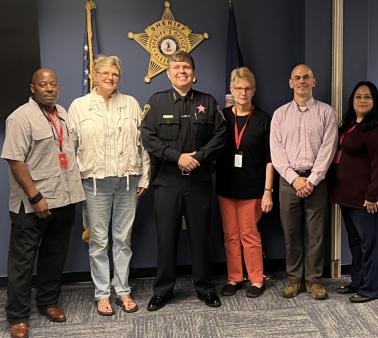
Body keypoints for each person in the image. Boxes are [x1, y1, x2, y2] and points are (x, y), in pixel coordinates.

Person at [1, 68, 85, 338]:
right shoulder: (20, 118)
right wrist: (35, 197)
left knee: (54, 256)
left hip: (64, 199)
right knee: (22, 263)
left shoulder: (63, 113)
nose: (49, 88)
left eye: (53, 84)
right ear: (32, 88)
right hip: (33, 204)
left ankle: (48, 302)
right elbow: (15, 160)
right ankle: (17, 316)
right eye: (43, 84)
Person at [141, 51, 226, 311]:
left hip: (198, 181)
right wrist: (177, 157)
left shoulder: (208, 102)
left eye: (186, 67)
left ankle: (204, 288)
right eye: (176, 67)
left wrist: (198, 157)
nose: (182, 71)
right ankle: (163, 290)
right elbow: (148, 137)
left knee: (201, 238)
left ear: (194, 73)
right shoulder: (156, 103)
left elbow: (221, 135)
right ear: (168, 73)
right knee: (166, 238)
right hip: (168, 181)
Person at [68, 55, 150, 315]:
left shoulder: (131, 104)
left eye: (114, 74)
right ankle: (102, 294)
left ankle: (123, 290)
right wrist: (74, 183)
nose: (109, 78)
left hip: (128, 180)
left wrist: (145, 176)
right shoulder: (79, 107)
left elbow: (143, 146)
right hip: (94, 184)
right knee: (99, 241)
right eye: (104, 73)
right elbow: (70, 150)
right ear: (94, 76)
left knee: (123, 239)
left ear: (119, 77)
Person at [270, 64, 338, 300]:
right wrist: (295, 179)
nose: (301, 81)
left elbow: (328, 149)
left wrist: (312, 179)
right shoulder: (279, 115)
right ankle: (294, 279)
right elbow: (276, 153)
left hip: (316, 181)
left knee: (317, 234)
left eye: (306, 77)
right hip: (288, 182)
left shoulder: (326, 112)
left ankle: (314, 280)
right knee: (291, 233)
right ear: (290, 83)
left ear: (314, 81)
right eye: (297, 78)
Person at [332, 81, 378, 303]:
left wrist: (372, 196)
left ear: (375, 100)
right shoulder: (351, 123)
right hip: (348, 197)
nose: (362, 100)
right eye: (358, 96)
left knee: (371, 245)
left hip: (368, 201)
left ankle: (370, 289)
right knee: (356, 243)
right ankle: (357, 281)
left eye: (367, 97)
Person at [216, 67, 274, 298]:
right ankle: (234, 277)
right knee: (230, 235)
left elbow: (271, 159)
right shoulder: (222, 116)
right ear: (231, 90)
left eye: (247, 88)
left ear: (254, 91)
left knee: (249, 234)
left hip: (252, 187)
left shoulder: (262, 118)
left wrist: (268, 191)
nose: (243, 92)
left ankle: (256, 279)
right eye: (238, 88)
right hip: (226, 187)